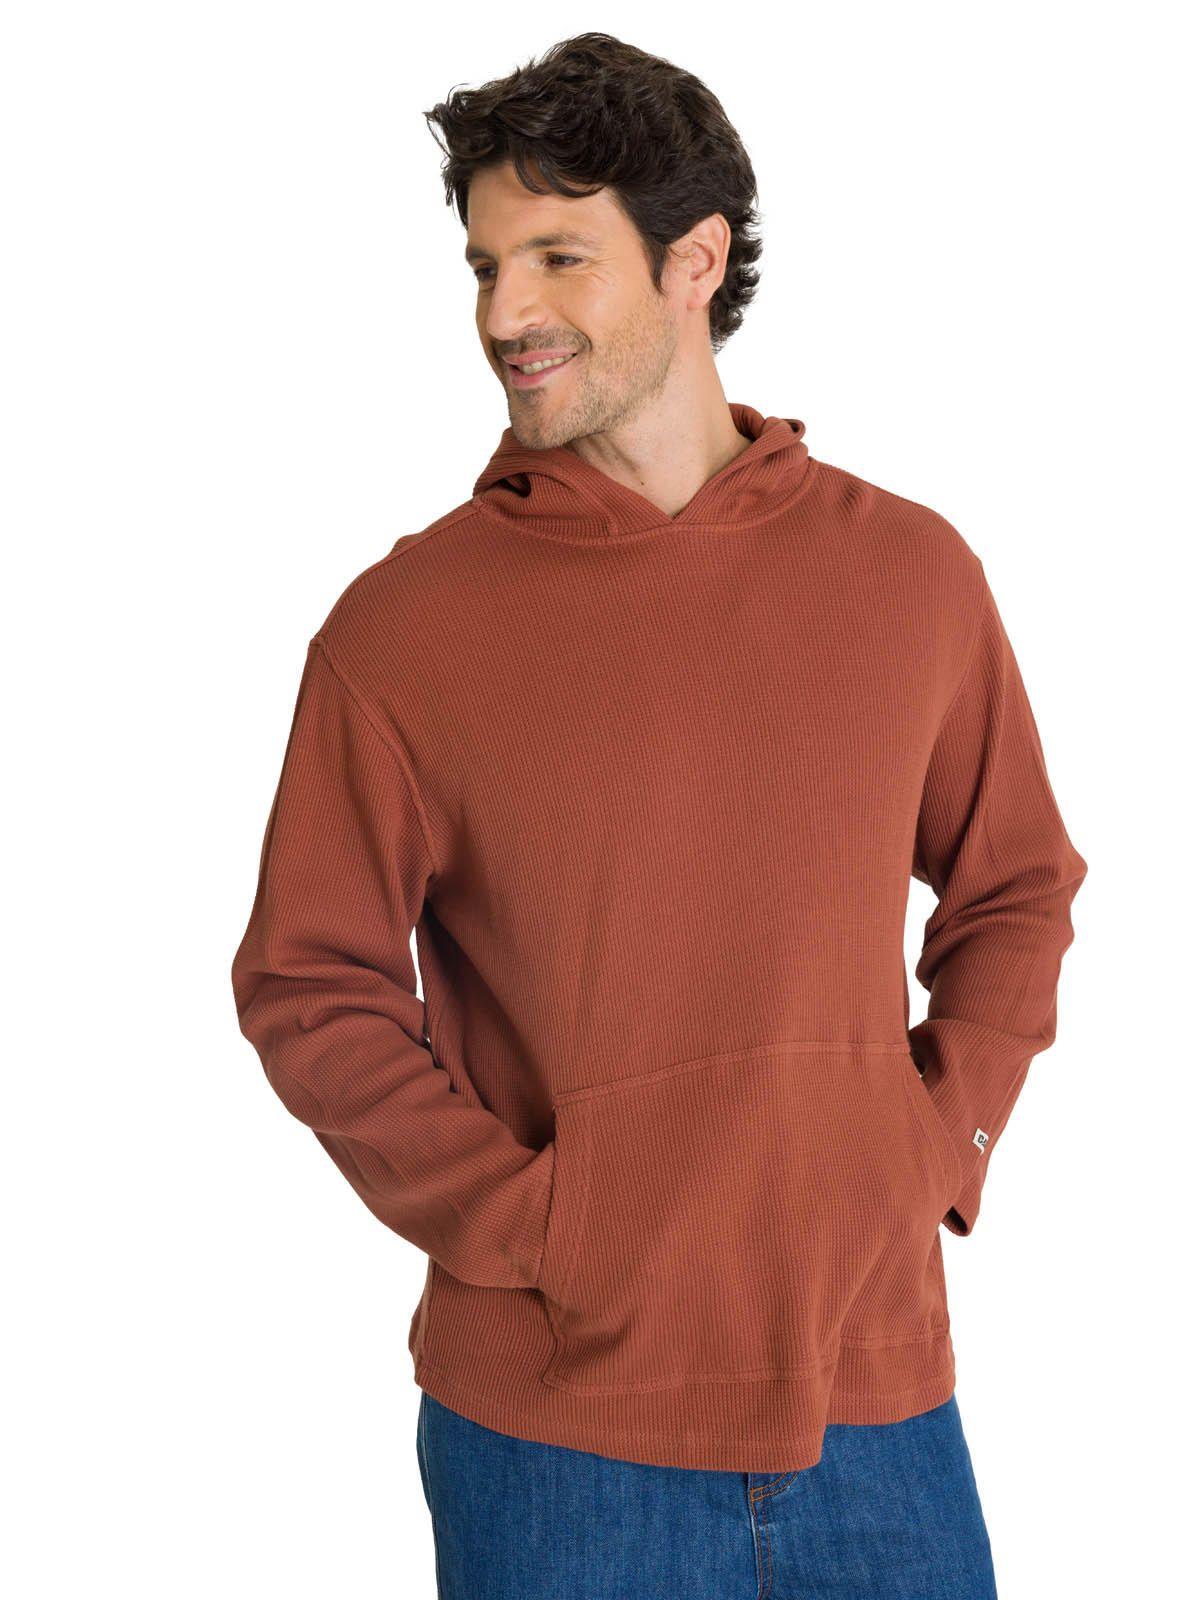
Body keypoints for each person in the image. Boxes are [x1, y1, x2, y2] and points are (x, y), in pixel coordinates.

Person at [230, 30, 1087, 1599]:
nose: (505, 313)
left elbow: (1016, 884)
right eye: (485, 265)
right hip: (555, 1436)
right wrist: (536, 1227)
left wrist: (934, 1143)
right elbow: (309, 982)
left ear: (696, 261)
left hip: (880, 1407)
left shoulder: (910, 575)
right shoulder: (405, 629)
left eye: (558, 258)